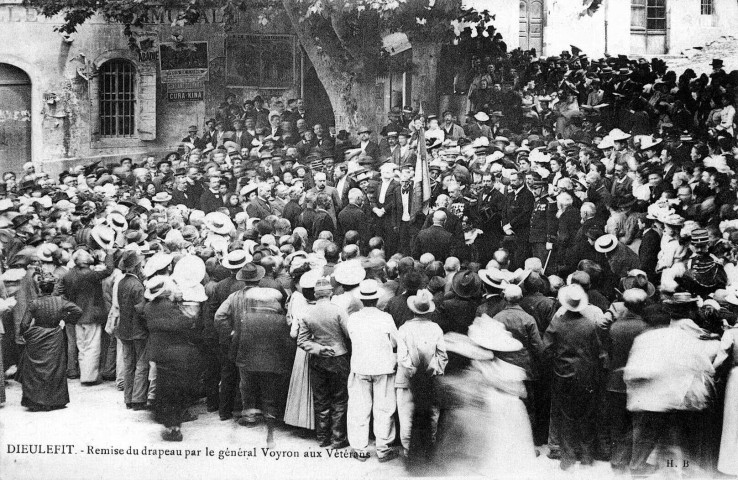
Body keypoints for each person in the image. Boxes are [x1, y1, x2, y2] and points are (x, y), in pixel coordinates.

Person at [542, 284, 603, 470]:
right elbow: (598, 352)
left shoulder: (557, 323)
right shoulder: (589, 324)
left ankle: (567, 459)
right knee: (586, 415)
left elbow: (545, 349)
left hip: (563, 375)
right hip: (586, 376)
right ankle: (586, 457)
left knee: (566, 417)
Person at [140, 276, 203, 442]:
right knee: (176, 391)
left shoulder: (148, 307)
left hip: (159, 353)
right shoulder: (170, 307)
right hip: (177, 353)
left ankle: (169, 423)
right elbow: (183, 324)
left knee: (165, 389)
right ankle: (174, 427)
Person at [344, 279, 399, 462]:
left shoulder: (353, 318)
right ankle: (383, 448)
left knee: (359, 407)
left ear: (362, 299)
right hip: (383, 366)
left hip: (360, 365)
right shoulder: (386, 318)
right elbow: (394, 342)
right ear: (377, 299)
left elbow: (351, 338)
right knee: (384, 408)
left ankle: (359, 449)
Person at [297, 275, 350, 448]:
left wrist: (319, 349)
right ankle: (338, 438)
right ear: (330, 293)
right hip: (339, 357)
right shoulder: (338, 310)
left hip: (318, 360)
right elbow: (349, 334)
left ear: (315, 294)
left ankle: (322, 438)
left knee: (321, 400)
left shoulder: (306, 313)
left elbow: (302, 341)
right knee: (340, 399)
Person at [395, 289, 447, 458]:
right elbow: (442, 356)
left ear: (413, 310)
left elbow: (402, 356)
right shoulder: (436, 328)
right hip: (431, 380)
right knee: (432, 415)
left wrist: (413, 371)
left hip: (406, 379)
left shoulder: (404, 328)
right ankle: (428, 449)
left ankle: (408, 450)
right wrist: (431, 370)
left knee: (406, 415)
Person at [20, 273, 82, 411]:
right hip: (54, 334)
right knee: (55, 368)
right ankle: (54, 400)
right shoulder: (60, 301)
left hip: (37, 336)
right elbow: (78, 311)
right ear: (52, 287)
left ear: (40, 288)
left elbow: (24, 324)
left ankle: (35, 401)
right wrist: (65, 319)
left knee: (36, 369)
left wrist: (25, 335)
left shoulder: (34, 303)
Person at [59, 248, 115, 385]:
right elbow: (109, 270)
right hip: (91, 315)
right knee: (92, 346)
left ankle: (84, 373)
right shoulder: (91, 275)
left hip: (76, 315)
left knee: (81, 346)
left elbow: (61, 292)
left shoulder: (68, 275)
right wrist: (109, 253)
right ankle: (89, 376)